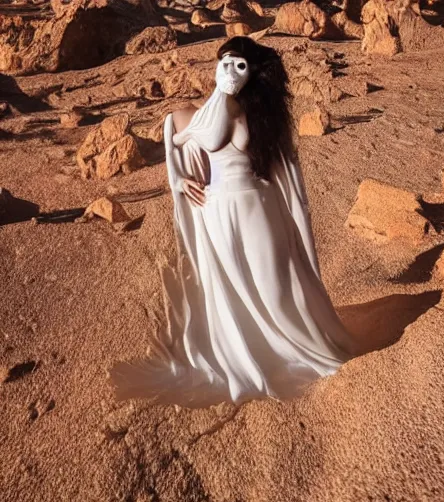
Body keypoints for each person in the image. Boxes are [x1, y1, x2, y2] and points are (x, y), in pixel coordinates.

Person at [108, 36, 356, 409]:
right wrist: (176, 178)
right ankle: (249, 352)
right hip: (216, 211)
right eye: (224, 61)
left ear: (253, 73)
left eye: (240, 65)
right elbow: (174, 138)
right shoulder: (193, 113)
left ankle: (299, 345)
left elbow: (285, 170)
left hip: (258, 206)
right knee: (231, 288)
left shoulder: (258, 115)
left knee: (274, 284)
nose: (229, 70)